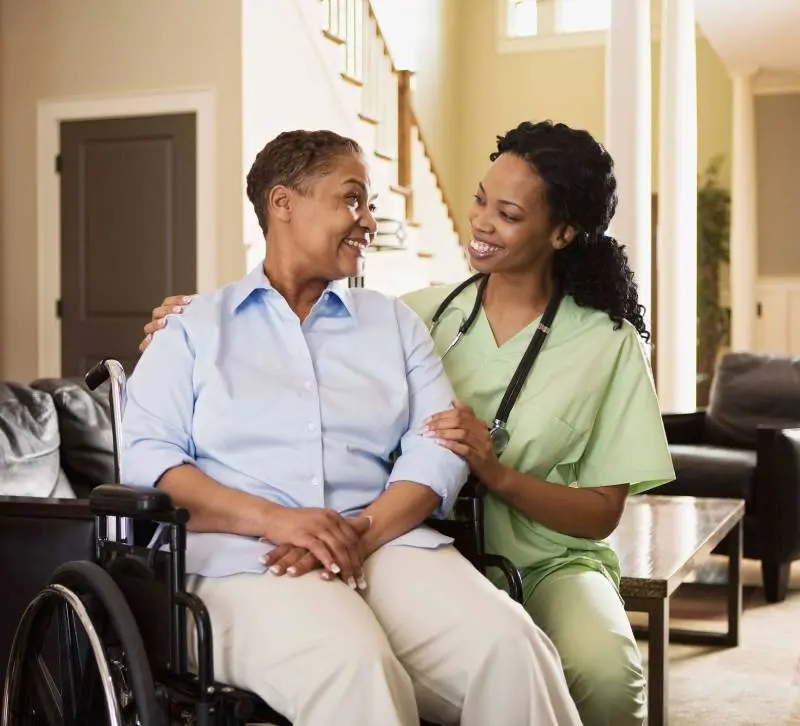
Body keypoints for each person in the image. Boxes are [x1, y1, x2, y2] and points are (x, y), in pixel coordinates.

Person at [141, 120, 676, 726]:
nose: (369, 220)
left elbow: (437, 446)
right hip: (250, 555)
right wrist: (286, 523)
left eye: (506, 212)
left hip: (413, 544)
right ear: (281, 204)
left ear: (562, 233)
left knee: (516, 650)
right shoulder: (198, 327)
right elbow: (150, 461)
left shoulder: (394, 323)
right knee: (356, 664)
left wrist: (358, 533)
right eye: (353, 200)